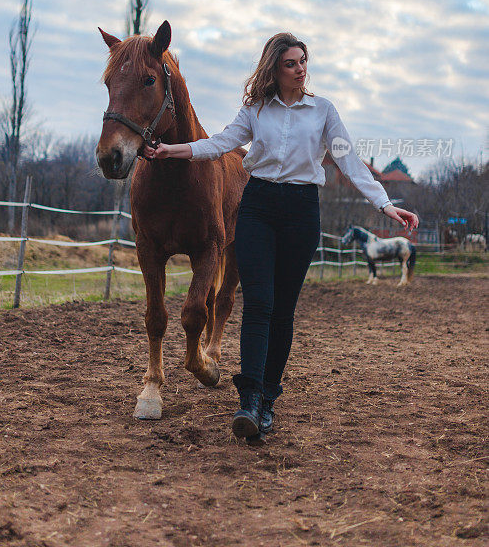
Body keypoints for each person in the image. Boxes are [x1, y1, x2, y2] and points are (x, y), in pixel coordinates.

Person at [143, 33, 419, 443]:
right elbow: (218, 144)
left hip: (302, 212)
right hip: (258, 206)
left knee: (283, 311)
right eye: (291, 62)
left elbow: (351, 162)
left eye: (303, 61)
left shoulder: (323, 111)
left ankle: (268, 400)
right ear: (275, 68)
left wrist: (384, 204)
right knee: (259, 304)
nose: (300, 68)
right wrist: (171, 151)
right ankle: (249, 401)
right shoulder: (255, 110)